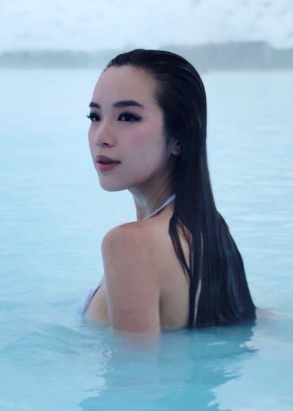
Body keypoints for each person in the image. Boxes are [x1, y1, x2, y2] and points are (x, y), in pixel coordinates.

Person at [82, 49, 255, 333]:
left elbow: (135, 375)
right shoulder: (210, 231)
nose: (102, 136)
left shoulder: (129, 245)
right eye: (94, 116)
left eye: (127, 117)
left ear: (179, 137)